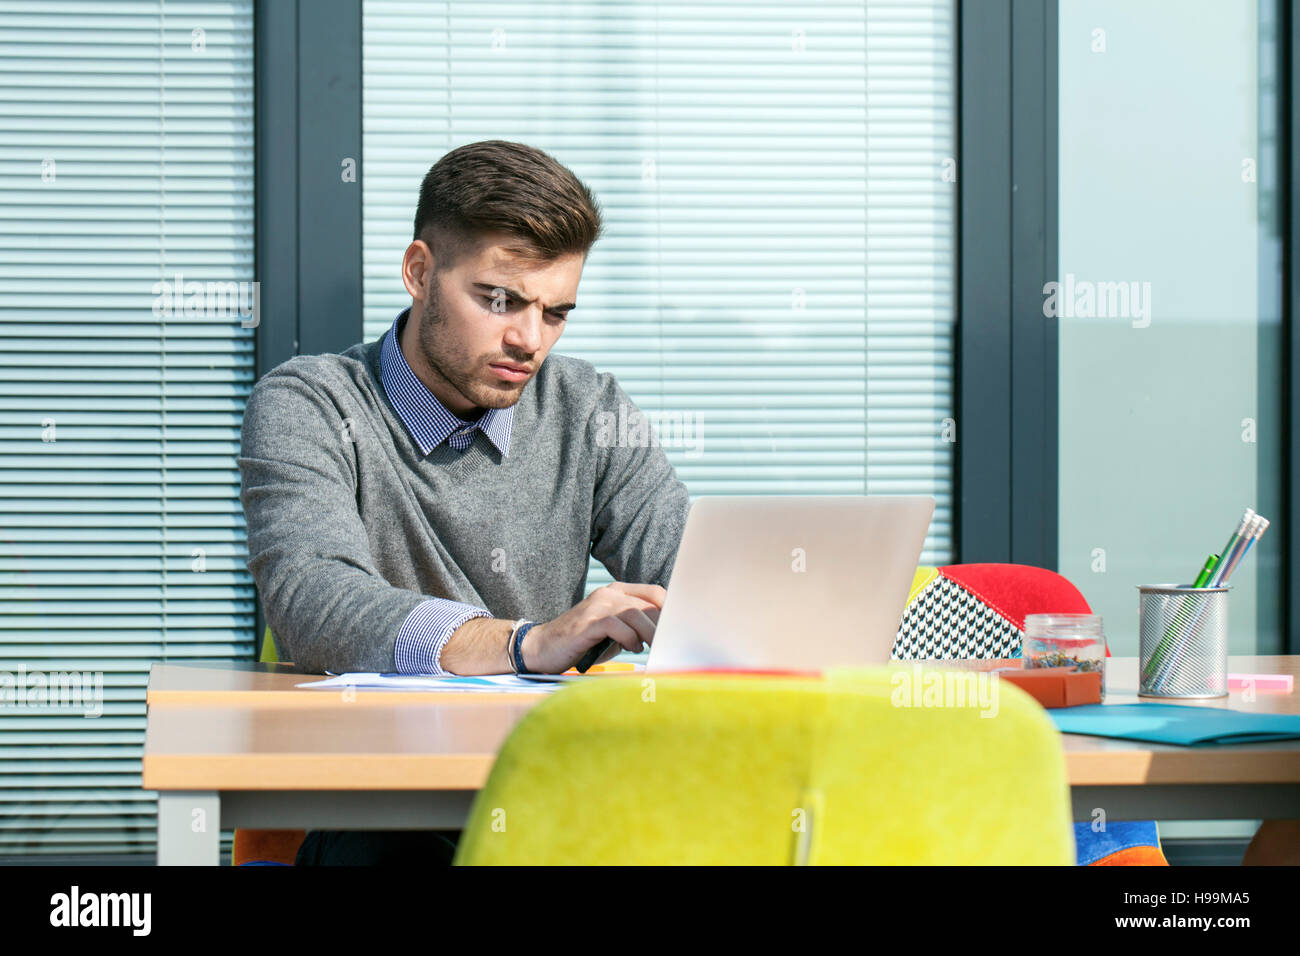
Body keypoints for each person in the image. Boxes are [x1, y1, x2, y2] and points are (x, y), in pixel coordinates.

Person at [237, 140, 691, 865]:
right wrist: (526, 644)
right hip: (382, 804)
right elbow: (314, 601)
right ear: (420, 272)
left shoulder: (588, 406)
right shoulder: (310, 405)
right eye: (500, 300)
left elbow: (692, 573)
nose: (529, 339)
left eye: (556, 312)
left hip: (555, 792)